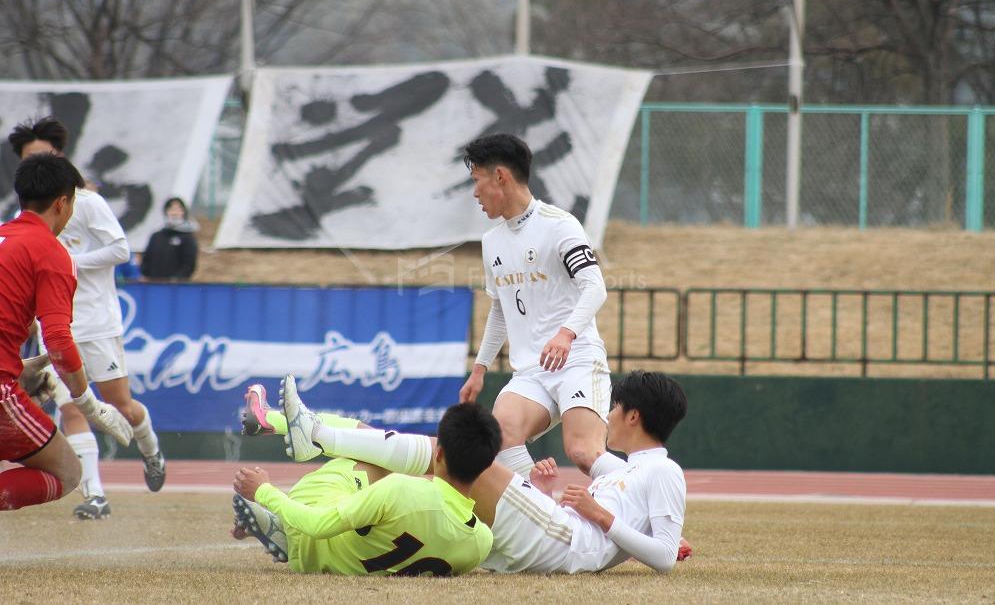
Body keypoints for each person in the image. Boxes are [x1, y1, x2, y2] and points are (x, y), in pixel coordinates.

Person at [272, 369, 688, 574]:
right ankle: (296, 434)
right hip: (556, 529)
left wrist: (600, 514)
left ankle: (319, 437)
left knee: (455, 454)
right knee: (412, 471)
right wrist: (546, 489)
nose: (608, 414)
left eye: (614, 407)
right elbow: (658, 532)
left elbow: (665, 559)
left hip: (565, 541)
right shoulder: (627, 468)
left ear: (633, 416)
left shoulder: (664, 471)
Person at [8, 117, 167, 520]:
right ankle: (95, 493)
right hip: (60, 328)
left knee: (122, 406)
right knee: (73, 419)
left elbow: (121, 250)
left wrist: (70, 264)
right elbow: (55, 333)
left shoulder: (86, 204)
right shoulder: (38, 236)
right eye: (32, 158)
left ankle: (151, 449)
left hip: (96, 322)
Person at [231, 378, 501, 576]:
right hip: (340, 558)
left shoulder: (402, 488)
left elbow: (317, 525)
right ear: (487, 464)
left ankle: (287, 427)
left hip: (308, 536)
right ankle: (292, 429)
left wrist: (264, 491)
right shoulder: (481, 542)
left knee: (373, 457)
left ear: (438, 454)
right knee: (385, 458)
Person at [458, 133, 612, 480]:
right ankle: (546, 517)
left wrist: (566, 334)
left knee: (584, 453)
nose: (474, 192)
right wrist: (480, 369)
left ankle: (643, 519)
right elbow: (501, 310)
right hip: (532, 371)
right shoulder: (491, 241)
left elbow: (595, 287)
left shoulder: (560, 225)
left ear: (500, 176)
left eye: (477, 180)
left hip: (576, 359)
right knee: (501, 433)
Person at [0, 154, 133, 511]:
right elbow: (58, 340)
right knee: (68, 473)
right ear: (63, 203)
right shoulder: (51, 253)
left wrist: (21, 367)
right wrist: (90, 405)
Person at [140, 197, 198, 281]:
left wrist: (177, 279)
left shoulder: (187, 237)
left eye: (178, 209)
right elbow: (147, 259)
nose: (174, 213)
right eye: (171, 209)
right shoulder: (156, 236)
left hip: (176, 288)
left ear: (183, 212)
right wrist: (146, 275)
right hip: (153, 285)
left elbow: (189, 264)